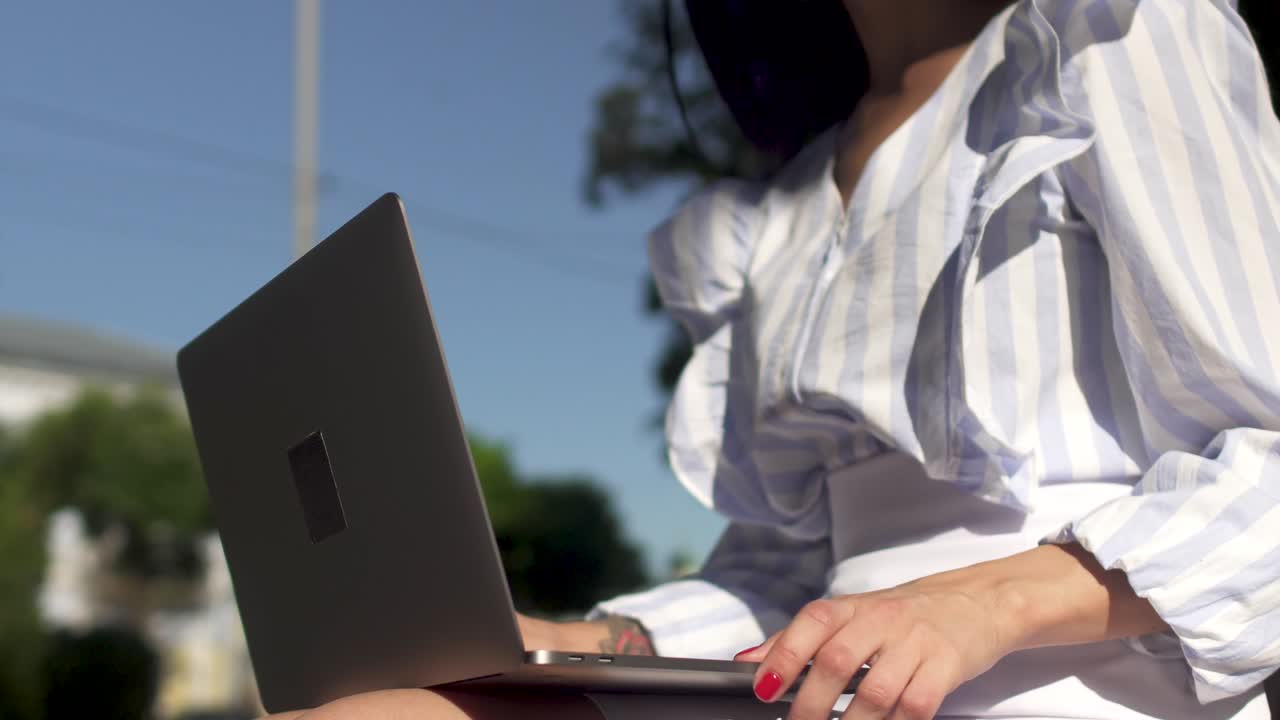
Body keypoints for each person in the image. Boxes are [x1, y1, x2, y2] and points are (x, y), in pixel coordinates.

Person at [268, 0, 1279, 716]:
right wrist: (599, 645)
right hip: (820, 690)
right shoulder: (776, 212)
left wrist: (985, 600)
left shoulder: (1122, 35)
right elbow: (797, 570)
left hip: (1088, 688)